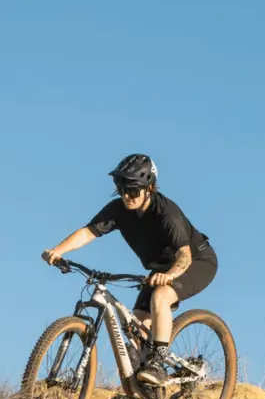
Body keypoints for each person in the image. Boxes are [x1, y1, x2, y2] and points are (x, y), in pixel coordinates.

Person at [41, 154, 218, 386]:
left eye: (133, 191)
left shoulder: (167, 214)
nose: (126, 196)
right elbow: (89, 232)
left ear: (150, 188)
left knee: (162, 295)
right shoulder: (119, 210)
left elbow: (184, 255)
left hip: (196, 261)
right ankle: (150, 389)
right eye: (121, 189)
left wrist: (169, 275)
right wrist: (58, 250)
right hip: (160, 270)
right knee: (138, 328)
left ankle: (158, 361)